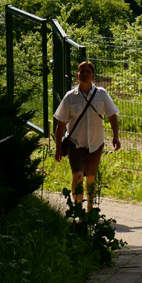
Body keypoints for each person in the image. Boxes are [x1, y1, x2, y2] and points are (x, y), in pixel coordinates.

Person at [54, 61, 120, 211]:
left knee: (91, 177)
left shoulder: (102, 95)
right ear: (77, 75)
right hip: (75, 143)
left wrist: (116, 137)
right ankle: (77, 208)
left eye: (87, 72)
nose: (84, 74)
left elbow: (112, 115)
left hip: (96, 143)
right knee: (77, 175)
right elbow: (61, 124)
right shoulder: (70, 97)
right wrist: (58, 147)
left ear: (93, 76)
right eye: (82, 72)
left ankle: (90, 207)